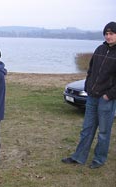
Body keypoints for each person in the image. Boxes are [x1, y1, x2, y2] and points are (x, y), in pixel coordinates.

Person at [62, 21, 116, 169]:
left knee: (104, 132)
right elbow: (91, 69)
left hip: (107, 99)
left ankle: (99, 160)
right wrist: (87, 85)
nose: (108, 36)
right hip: (92, 96)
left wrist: (109, 95)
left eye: (111, 33)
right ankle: (79, 157)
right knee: (87, 129)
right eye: (106, 33)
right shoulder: (100, 49)